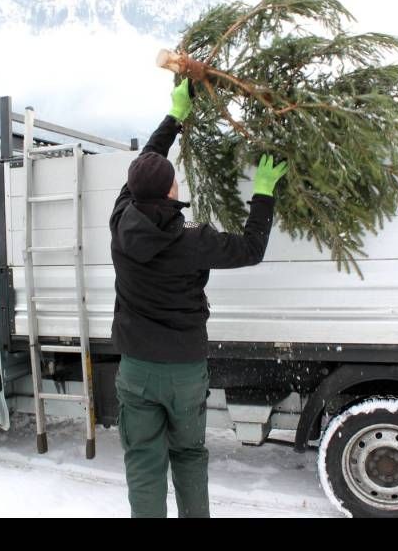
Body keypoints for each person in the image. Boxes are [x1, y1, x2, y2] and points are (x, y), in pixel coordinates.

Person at [110, 77, 288, 517]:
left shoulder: (119, 222)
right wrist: (263, 193)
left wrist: (174, 116)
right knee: (188, 454)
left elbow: (146, 161)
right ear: (172, 190)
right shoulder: (193, 240)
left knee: (143, 460)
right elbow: (251, 249)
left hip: (136, 369)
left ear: (133, 191)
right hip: (185, 371)